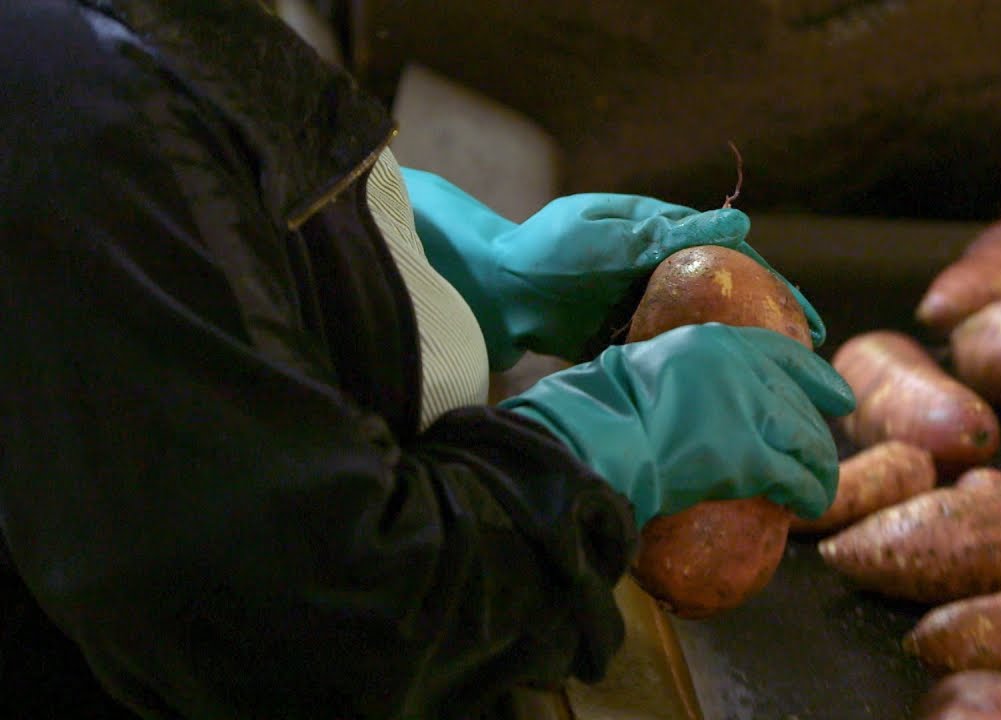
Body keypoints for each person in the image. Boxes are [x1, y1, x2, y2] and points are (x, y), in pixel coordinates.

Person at [0, 1, 855, 718]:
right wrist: (587, 455)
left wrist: (419, 267)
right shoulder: (74, 93)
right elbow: (305, 628)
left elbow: (205, 207)